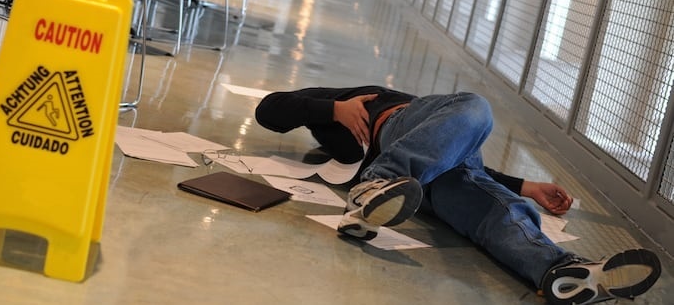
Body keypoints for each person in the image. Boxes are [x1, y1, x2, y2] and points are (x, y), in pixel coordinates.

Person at [255, 86, 662, 305]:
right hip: (404, 181)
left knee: (488, 204)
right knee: (476, 108)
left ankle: (560, 271)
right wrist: (334, 110)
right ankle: (377, 184)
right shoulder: (341, 101)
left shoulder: (411, 112)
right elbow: (270, 108)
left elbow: (447, 145)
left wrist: (524, 186)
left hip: (418, 165)